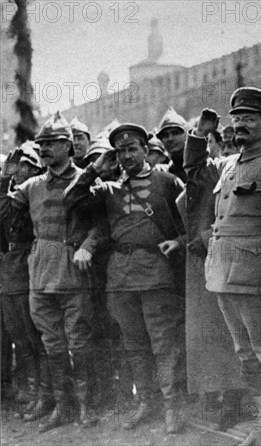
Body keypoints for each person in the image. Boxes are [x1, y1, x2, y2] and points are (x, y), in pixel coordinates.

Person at [184, 87, 261, 446]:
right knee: (245, 355)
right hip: (222, 277)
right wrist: (200, 135)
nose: (241, 125)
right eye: (236, 119)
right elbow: (195, 172)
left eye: (249, 119)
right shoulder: (228, 164)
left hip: (254, 279)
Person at [64, 123, 186, 434]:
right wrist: (94, 169)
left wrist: (181, 242)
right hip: (120, 276)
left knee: (163, 342)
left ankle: (172, 405)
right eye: (121, 151)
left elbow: (191, 218)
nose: (127, 155)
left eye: (132, 149)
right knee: (133, 344)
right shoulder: (109, 189)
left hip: (156, 272)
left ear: (146, 150)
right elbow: (72, 199)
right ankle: (146, 402)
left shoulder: (167, 181)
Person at [1, 111, 97, 432]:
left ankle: (85, 406)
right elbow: (5, 213)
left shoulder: (85, 180)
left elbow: (103, 223)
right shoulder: (31, 186)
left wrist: (89, 245)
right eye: (41, 144)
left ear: (69, 146)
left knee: (79, 341)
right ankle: (63, 406)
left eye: (52, 143)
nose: (44, 149)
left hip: (73, 269)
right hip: (40, 271)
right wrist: (6, 175)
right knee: (52, 344)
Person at [178, 108, 245, 431]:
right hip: (206, 263)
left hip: (233, 258)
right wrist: (199, 133)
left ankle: (235, 400)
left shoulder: (258, 165)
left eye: (235, 137)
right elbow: (193, 168)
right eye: (225, 138)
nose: (231, 143)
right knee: (210, 332)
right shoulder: (216, 168)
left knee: (233, 331)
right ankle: (218, 396)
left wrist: (205, 237)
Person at [0, 142, 51, 421]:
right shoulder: (10, 197)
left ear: (36, 168)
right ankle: (32, 392)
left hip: (31, 265)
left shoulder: (34, 193)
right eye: (16, 166)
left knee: (36, 338)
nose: (20, 171)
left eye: (27, 165)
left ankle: (44, 394)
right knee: (19, 338)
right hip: (9, 270)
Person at [156, 107, 188, 182]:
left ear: (186, 134)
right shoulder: (164, 173)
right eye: (165, 135)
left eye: (175, 133)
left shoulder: (201, 165)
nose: (170, 139)